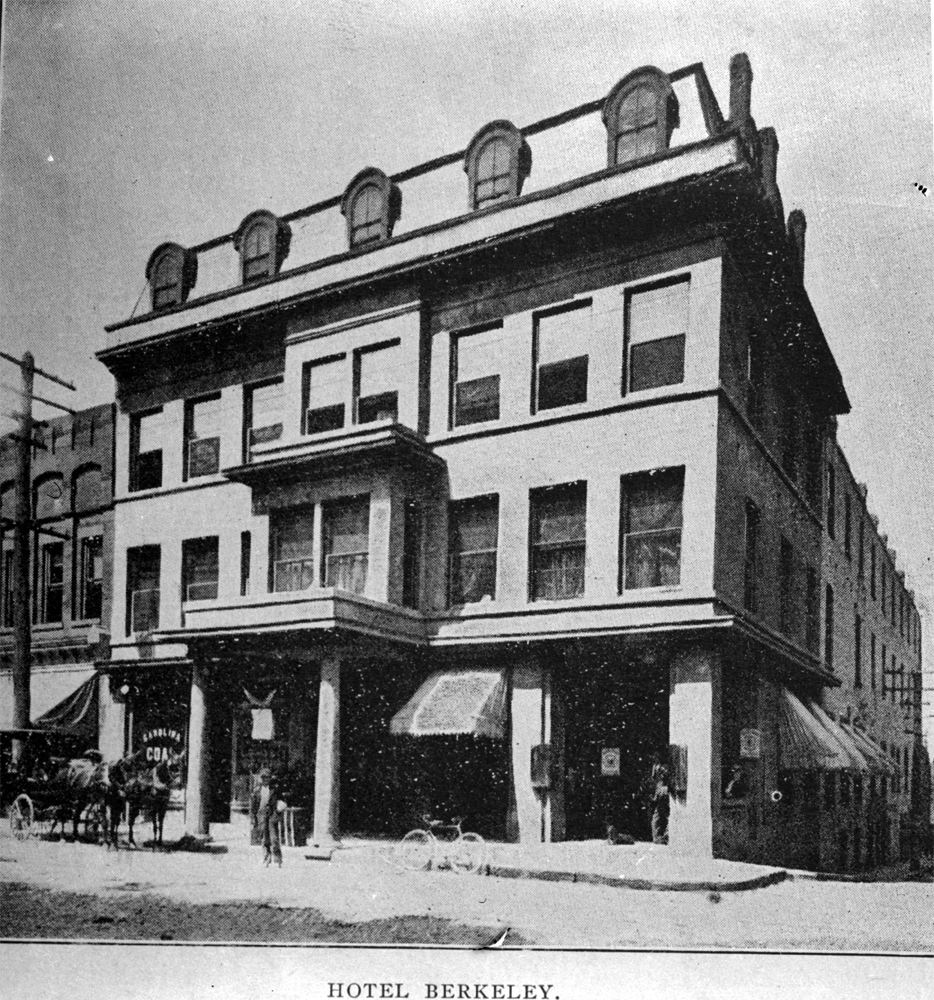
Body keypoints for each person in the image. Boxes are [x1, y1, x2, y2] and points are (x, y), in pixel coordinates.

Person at [250, 767, 284, 867]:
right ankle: (266, 858)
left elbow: (281, 800)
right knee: (264, 839)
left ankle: (278, 859)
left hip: (272, 815)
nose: (266, 779)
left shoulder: (274, 789)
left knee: (274, 838)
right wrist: (253, 818)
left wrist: (279, 810)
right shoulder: (257, 791)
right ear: (261, 778)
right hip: (261, 815)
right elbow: (254, 806)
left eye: (268, 777)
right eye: (264, 777)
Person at [644, 753, 670, 845]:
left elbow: (653, 777)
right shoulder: (666, 766)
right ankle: (666, 835)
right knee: (667, 813)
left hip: (658, 790)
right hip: (665, 790)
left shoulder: (655, 766)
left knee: (657, 813)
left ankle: (656, 836)